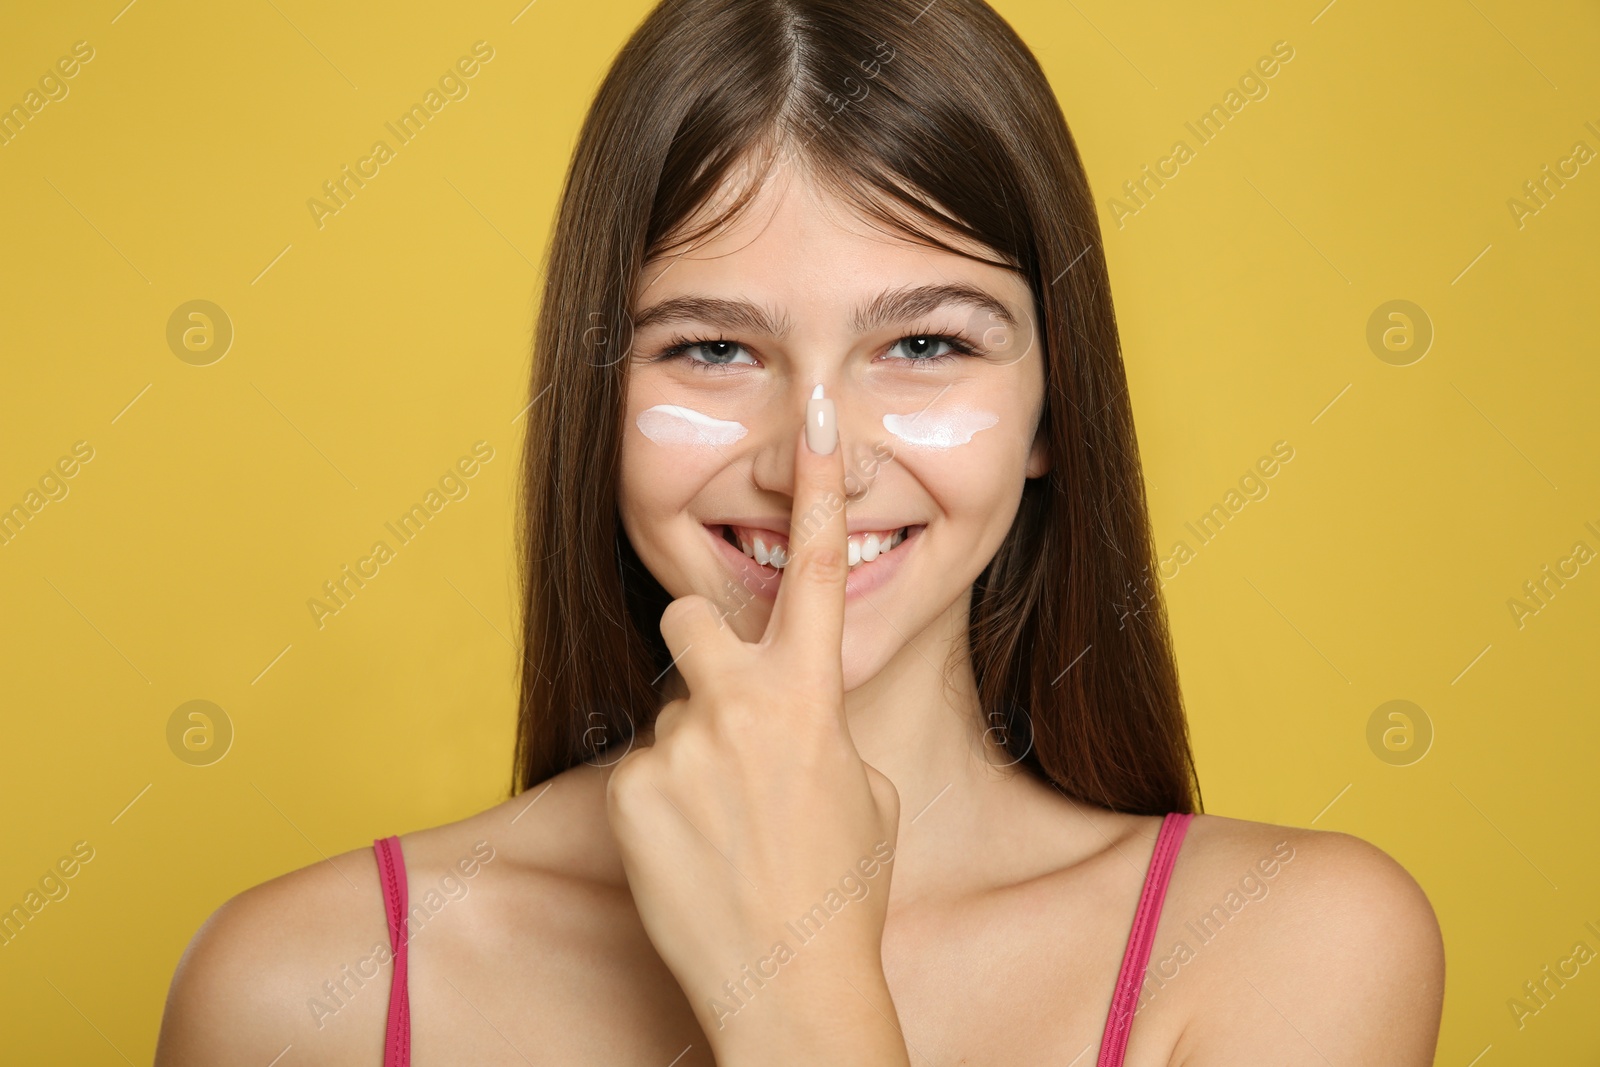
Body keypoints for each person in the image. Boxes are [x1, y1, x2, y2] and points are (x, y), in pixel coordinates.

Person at [154, 0, 1445, 1063]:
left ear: (1053, 409)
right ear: (595, 400)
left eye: (926, 344)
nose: (813, 460)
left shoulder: (1293, 954)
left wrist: (793, 984)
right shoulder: (298, 994)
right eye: (712, 348)